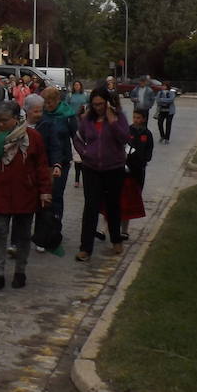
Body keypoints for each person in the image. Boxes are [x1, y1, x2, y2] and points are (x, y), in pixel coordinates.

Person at [0, 101, 52, 292]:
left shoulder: (33, 137)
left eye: (4, 121)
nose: (0, 125)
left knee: (22, 235)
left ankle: (20, 271)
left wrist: (45, 190)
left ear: (16, 119)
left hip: (25, 192)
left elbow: (41, 165)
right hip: (0, 192)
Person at [73, 87, 131, 262]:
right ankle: (85, 248)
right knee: (90, 207)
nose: (97, 107)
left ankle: (116, 239)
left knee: (113, 206)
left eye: (100, 104)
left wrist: (112, 120)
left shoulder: (119, 117)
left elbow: (124, 138)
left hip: (114, 168)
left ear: (107, 102)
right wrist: (85, 153)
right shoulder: (87, 120)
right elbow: (77, 138)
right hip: (91, 168)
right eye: (94, 104)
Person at [32, 88, 77, 227]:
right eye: (44, 103)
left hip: (62, 159)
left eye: (50, 103)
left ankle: (55, 225)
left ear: (58, 101)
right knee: (44, 194)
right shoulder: (42, 115)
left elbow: (76, 136)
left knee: (56, 193)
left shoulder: (68, 115)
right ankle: (43, 226)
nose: (47, 106)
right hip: (43, 160)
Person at [122, 109, 155, 242]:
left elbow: (149, 150)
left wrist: (143, 160)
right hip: (125, 170)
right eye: (134, 117)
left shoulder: (147, 134)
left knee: (132, 199)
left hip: (138, 171)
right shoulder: (127, 131)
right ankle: (108, 228)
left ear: (144, 119)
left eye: (138, 118)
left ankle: (125, 229)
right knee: (121, 198)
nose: (135, 120)